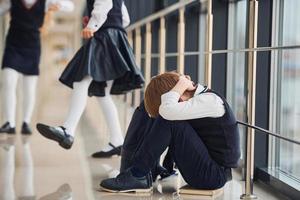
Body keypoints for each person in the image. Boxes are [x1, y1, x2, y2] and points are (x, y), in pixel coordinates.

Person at [99, 72, 240, 193]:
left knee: (169, 118)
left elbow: (167, 111)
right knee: (169, 116)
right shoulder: (199, 99)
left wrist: (180, 85)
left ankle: (138, 174)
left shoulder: (210, 101)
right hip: (207, 171)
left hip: (213, 176)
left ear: (178, 95)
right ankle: (139, 172)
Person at [36, 0, 145, 156]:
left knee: (81, 82)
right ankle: (117, 140)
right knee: (103, 94)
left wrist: (92, 25)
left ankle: (68, 130)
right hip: (115, 38)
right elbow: (124, 19)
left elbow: (105, 3)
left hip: (104, 37)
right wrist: (102, 22)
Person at [0, 0, 74, 135]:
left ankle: (26, 122)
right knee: (8, 82)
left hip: (32, 47)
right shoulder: (11, 2)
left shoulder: (45, 2)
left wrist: (58, 5)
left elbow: (70, 6)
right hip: (13, 46)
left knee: (29, 87)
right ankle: (9, 123)